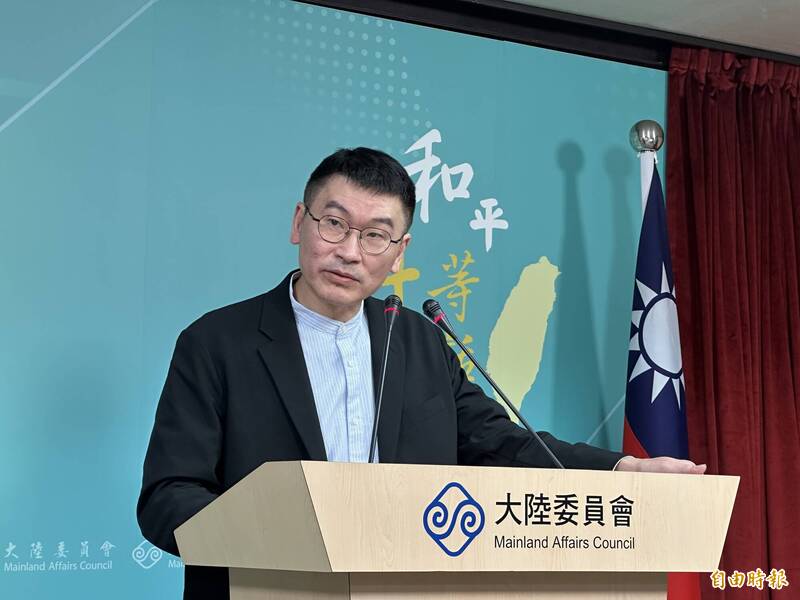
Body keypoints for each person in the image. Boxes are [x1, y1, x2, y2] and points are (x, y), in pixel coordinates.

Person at [137, 147, 705, 600]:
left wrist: (624, 468)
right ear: (298, 223)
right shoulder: (217, 342)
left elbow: (501, 443)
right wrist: (273, 534)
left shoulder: (416, 339)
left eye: (375, 235)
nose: (350, 251)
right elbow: (168, 497)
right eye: (334, 224)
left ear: (399, 250)